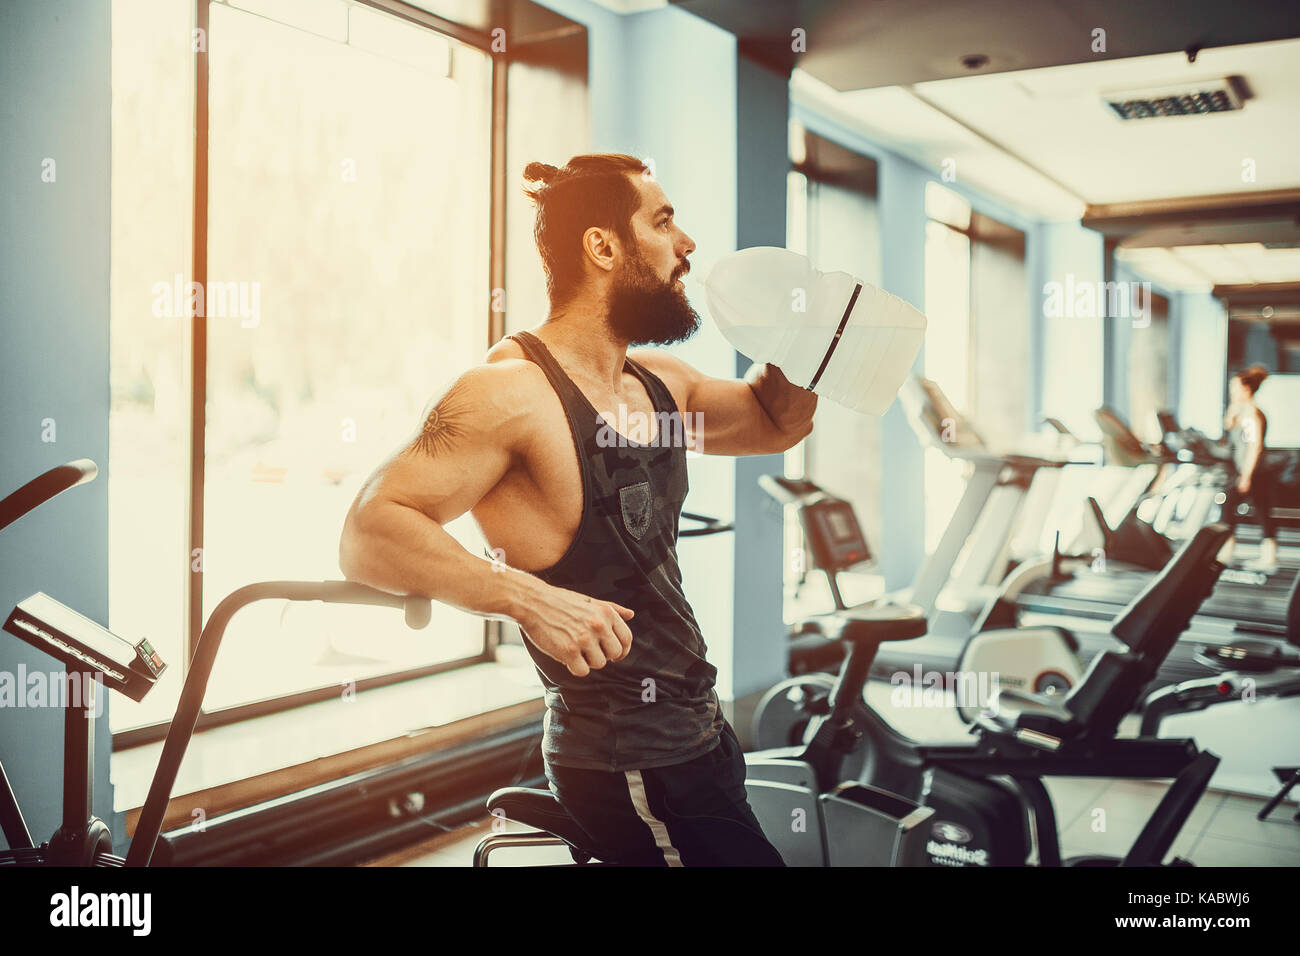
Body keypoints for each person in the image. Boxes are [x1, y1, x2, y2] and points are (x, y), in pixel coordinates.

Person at [338, 153, 816, 866]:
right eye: (663, 221)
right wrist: (529, 600)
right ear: (602, 246)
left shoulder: (658, 384)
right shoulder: (509, 393)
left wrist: (802, 330)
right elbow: (370, 531)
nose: (686, 245)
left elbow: (774, 421)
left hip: (699, 734)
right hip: (630, 762)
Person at [1217, 364, 1278, 573]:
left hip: (1254, 472)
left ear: (1246, 389)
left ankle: (1228, 552)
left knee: (1232, 509)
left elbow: (1255, 446)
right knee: (1259, 511)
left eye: (1235, 388)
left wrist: (1246, 476)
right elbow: (1228, 427)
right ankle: (1232, 551)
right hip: (1246, 471)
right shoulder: (1241, 412)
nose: (1232, 392)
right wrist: (1234, 406)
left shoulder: (1252, 414)